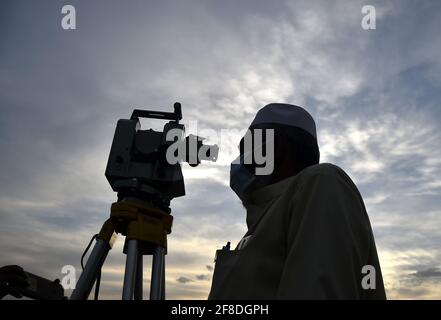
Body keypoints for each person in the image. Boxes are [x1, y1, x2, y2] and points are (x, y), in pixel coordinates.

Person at [208, 103, 387, 299]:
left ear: (276, 146)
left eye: (248, 147)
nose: (241, 159)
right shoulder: (268, 218)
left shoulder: (321, 182)